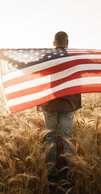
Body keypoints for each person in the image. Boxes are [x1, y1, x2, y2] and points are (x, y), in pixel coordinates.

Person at [39, 31, 81, 184]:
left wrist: (2, 56)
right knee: (67, 139)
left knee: (50, 138)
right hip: (68, 104)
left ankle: (52, 173)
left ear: (54, 43)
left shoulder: (47, 58)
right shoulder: (75, 58)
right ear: (67, 42)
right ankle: (71, 175)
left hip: (50, 104)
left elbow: (30, 67)